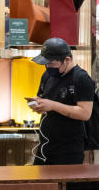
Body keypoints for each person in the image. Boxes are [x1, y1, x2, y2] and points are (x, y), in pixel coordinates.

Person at [30, 38, 95, 166]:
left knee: (65, 185)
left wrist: (53, 105)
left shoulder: (81, 78)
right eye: (46, 64)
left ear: (67, 60)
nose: (48, 67)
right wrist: (39, 104)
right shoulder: (47, 75)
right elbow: (44, 98)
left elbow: (85, 113)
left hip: (68, 149)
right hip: (45, 146)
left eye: (51, 63)